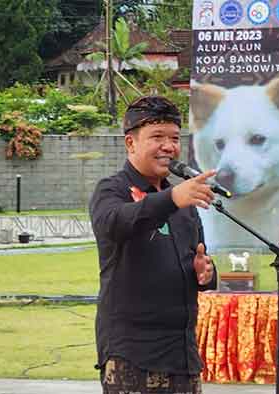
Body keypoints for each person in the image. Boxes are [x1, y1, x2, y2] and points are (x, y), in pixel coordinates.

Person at [89, 96, 217, 394]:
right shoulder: (111, 189)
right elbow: (117, 221)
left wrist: (206, 273)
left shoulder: (184, 200)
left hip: (183, 355)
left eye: (174, 138)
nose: (169, 146)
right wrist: (171, 199)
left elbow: (199, 260)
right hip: (133, 357)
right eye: (157, 137)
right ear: (130, 143)